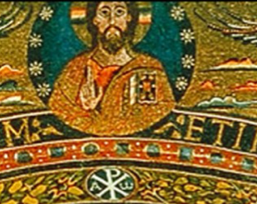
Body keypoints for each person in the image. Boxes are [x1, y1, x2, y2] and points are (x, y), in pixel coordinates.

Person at [49, 0, 174, 134]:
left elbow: (152, 116)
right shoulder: (75, 69)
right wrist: (86, 109)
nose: (112, 21)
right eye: (104, 13)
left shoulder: (147, 68)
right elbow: (57, 109)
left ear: (128, 18)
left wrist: (93, 114)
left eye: (119, 12)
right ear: (95, 20)